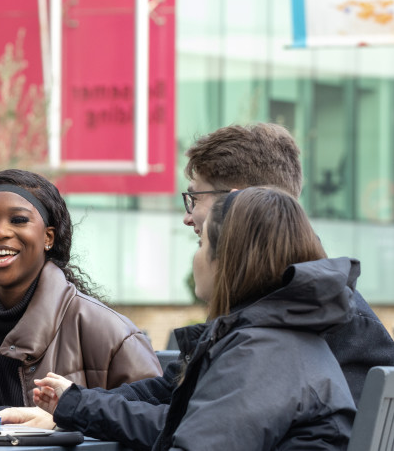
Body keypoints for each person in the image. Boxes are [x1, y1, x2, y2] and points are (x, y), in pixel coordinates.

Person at [0, 122, 394, 447]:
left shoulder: (285, 332)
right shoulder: (290, 305)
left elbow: (197, 428)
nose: (187, 218)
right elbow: (180, 394)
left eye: (194, 198)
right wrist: (71, 405)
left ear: (234, 206)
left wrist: (76, 406)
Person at [35, 187, 357, 449]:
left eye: (201, 243)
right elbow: (188, 425)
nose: (196, 256)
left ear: (229, 260)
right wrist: (76, 405)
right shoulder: (279, 339)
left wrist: (76, 405)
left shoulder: (262, 352)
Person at [0, 169, 161, 407]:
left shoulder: (111, 333)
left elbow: (151, 425)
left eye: (18, 220)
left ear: (48, 238)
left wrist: (68, 419)